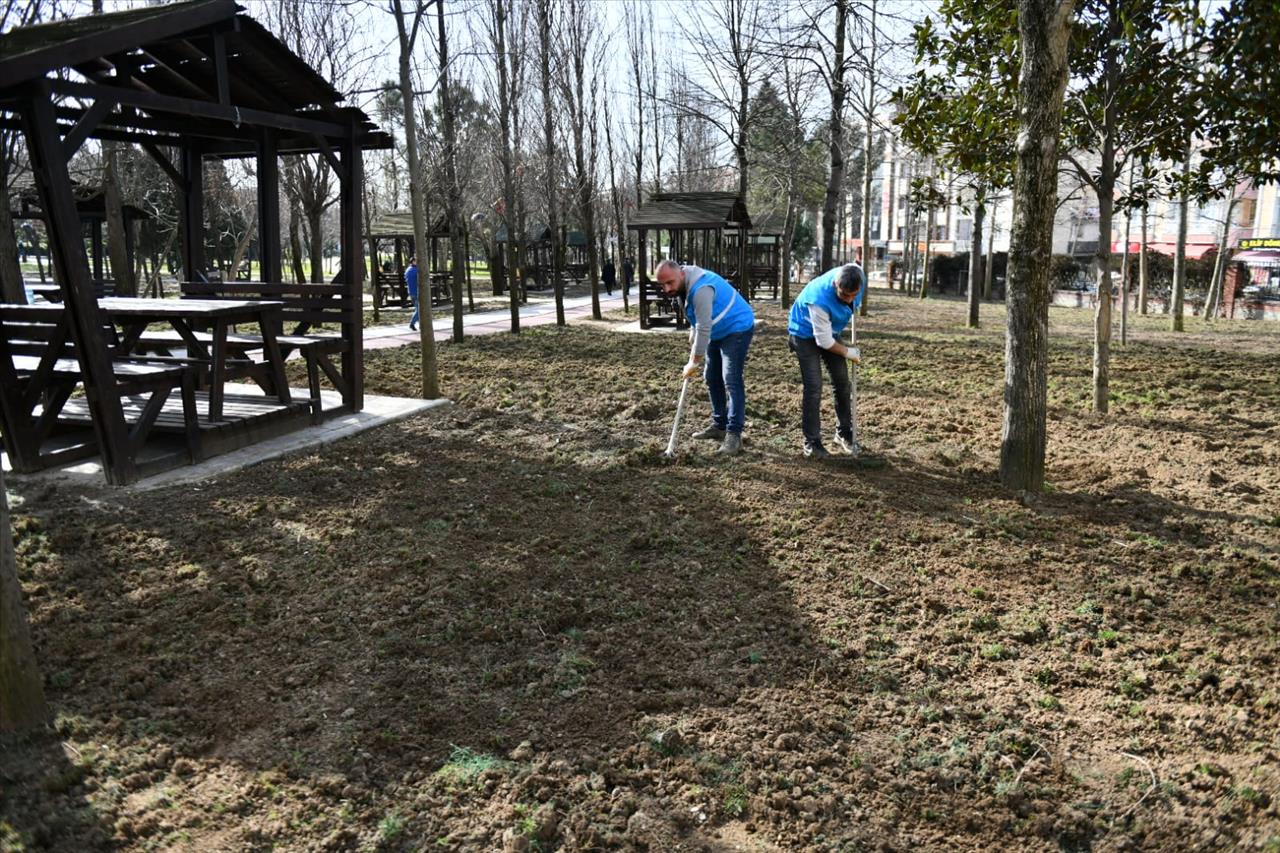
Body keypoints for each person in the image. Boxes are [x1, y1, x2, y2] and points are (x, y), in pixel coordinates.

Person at [655, 259, 755, 456]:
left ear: (681, 274)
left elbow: (704, 326)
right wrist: (693, 331)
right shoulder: (682, 286)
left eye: (670, 283)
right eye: (662, 284)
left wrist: (694, 361)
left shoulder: (701, 288)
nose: (667, 289)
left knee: (731, 379)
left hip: (737, 327)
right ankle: (719, 425)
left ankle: (734, 435)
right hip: (717, 330)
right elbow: (697, 318)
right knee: (711, 376)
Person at [786, 263, 865, 459]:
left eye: (853, 294)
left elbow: (831, 333)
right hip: (803, 334)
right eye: (844, 295)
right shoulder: (818, 299)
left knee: (842, 382)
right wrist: (848, 352)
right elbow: (824, 341)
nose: (849, 299)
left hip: (829, 331)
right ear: (834, 284)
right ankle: (812, 443)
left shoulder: (858, 277)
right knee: (814, 387)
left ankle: (843, 433)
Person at [405, 257, 420, 331]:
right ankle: (412, 323)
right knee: (419, 310)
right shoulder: (416, 270)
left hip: (411, 292)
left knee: (418, 308)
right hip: (417, 292)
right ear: (413, 261)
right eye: (416, 261)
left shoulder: (407, 270)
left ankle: (421, 325)